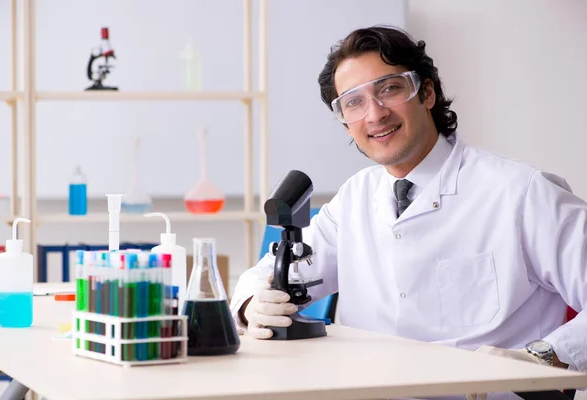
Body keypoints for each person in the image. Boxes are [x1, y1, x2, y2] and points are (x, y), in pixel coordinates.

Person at [229, 25, 587, 397]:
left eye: (389, 89)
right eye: (353, 102)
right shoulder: (354, 198)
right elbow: (269, 276)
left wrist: (545, 358)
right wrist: (252, 303)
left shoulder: (522, 192)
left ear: (427, 92)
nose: (375, 114)